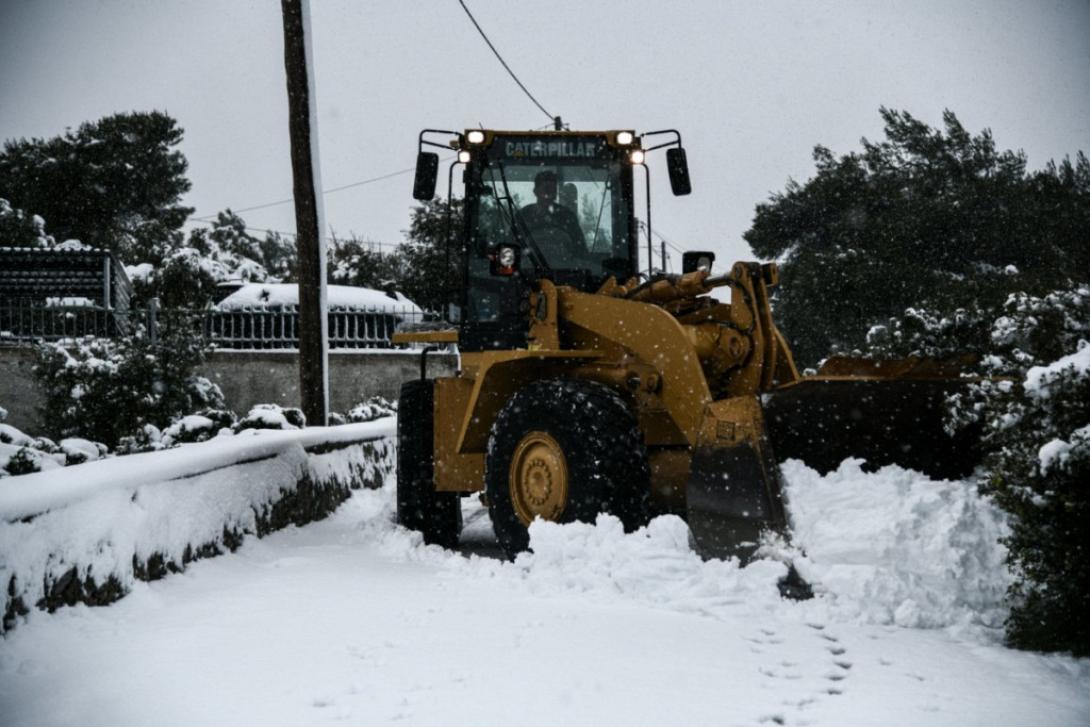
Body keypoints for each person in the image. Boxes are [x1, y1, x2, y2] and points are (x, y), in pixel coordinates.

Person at [519, 170, 586, 261]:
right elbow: (510, 249)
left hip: (566, 271)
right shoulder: (523, 216)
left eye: (553, 190)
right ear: (535, 192)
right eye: (546, 189)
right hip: (528, 270)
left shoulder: (567, 216)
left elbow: (580, 251)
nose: (549, 194)